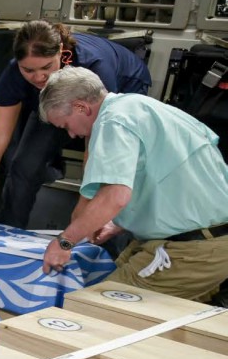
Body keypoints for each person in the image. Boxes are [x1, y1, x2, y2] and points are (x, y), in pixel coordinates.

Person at [38, 67, 228, 302]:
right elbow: (169, 178)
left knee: (92, 308)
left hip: (192, 250)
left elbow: (115, 195)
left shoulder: (113, 122)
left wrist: (65, 242)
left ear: (81, 107)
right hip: (207, 240)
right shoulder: (141, 107)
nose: (72, 135)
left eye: (66, 125)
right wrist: (120, 223)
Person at [0, 20, 152, 228]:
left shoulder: (95, 67)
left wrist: (83, 208)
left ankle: (102, 239)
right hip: (56, 99)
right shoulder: (14, 74)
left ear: (60, 52)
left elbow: (94, 147)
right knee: (24, 166)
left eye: (46, 67)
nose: (39, 77)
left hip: (120, 87)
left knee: (112, 175)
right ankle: (8, 229)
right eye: (28, 70)